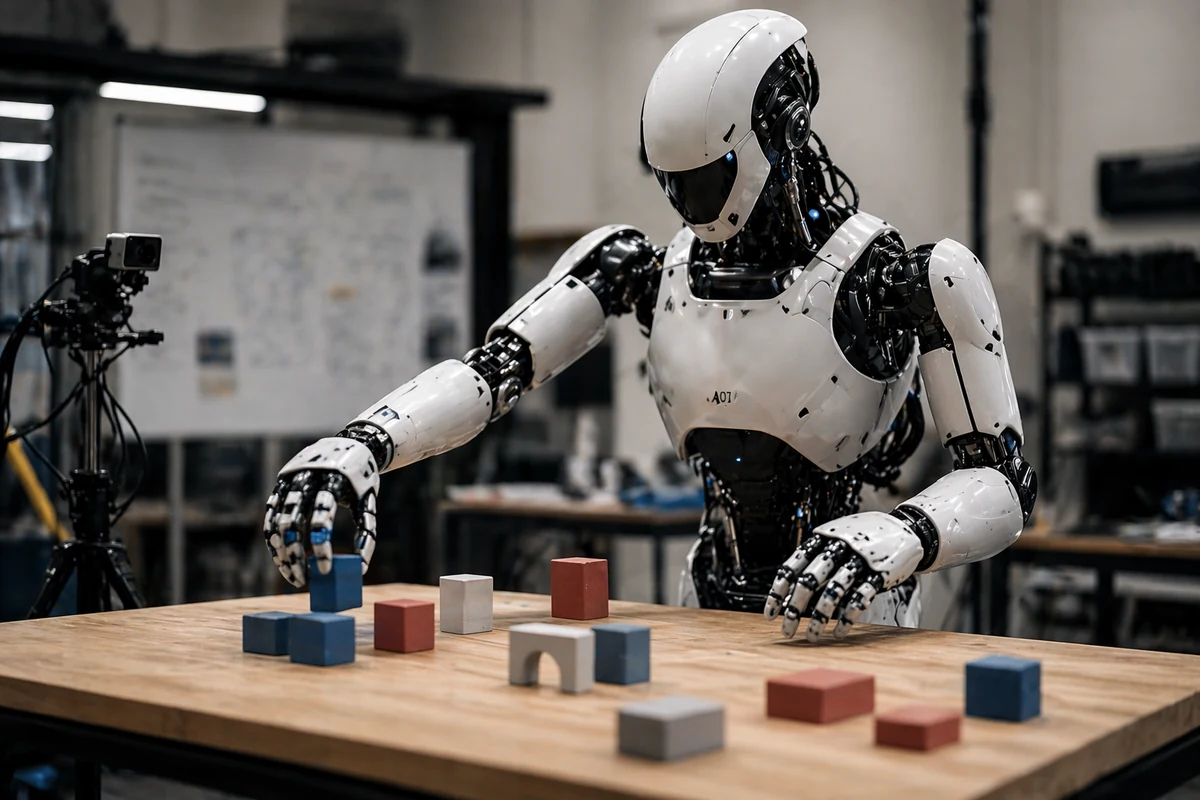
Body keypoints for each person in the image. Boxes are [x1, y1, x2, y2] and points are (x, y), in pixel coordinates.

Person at [262, 9, 1035, 642]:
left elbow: (1002, 482)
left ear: (781, 132)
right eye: (674, 185)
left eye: (707, 182)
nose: (691, 206)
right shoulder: (641, 266)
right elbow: (493, 371)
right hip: (698, 600)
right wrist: (363, 443)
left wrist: (900, 535)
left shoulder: (903, 278)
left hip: (850, 608)